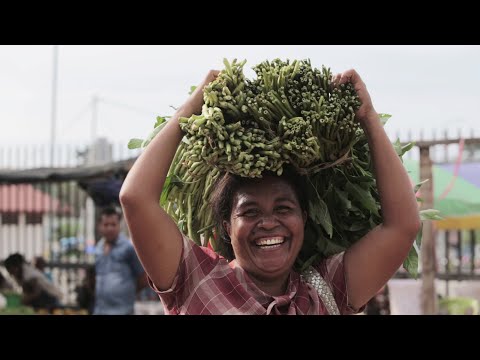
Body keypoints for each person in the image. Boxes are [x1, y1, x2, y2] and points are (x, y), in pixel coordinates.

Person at [119, 69, 421, 315]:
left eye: (283, 209)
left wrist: (368, 117)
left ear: (304, 218)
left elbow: (402, 225)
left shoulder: (324, 292)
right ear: (227, 226)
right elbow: (135, 198)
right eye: (249, 211)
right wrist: (190, 111)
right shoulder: (195, 279)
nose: (267, 222)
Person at [93, 206, 148, 315]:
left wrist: (129, 291)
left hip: (123, 310)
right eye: (106, 225)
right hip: (100, 309)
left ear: (119, 226)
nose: (110, 228)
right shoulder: (98, 248)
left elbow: (143, 277)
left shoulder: (128, 248)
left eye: (113, 224)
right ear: (99, 227)